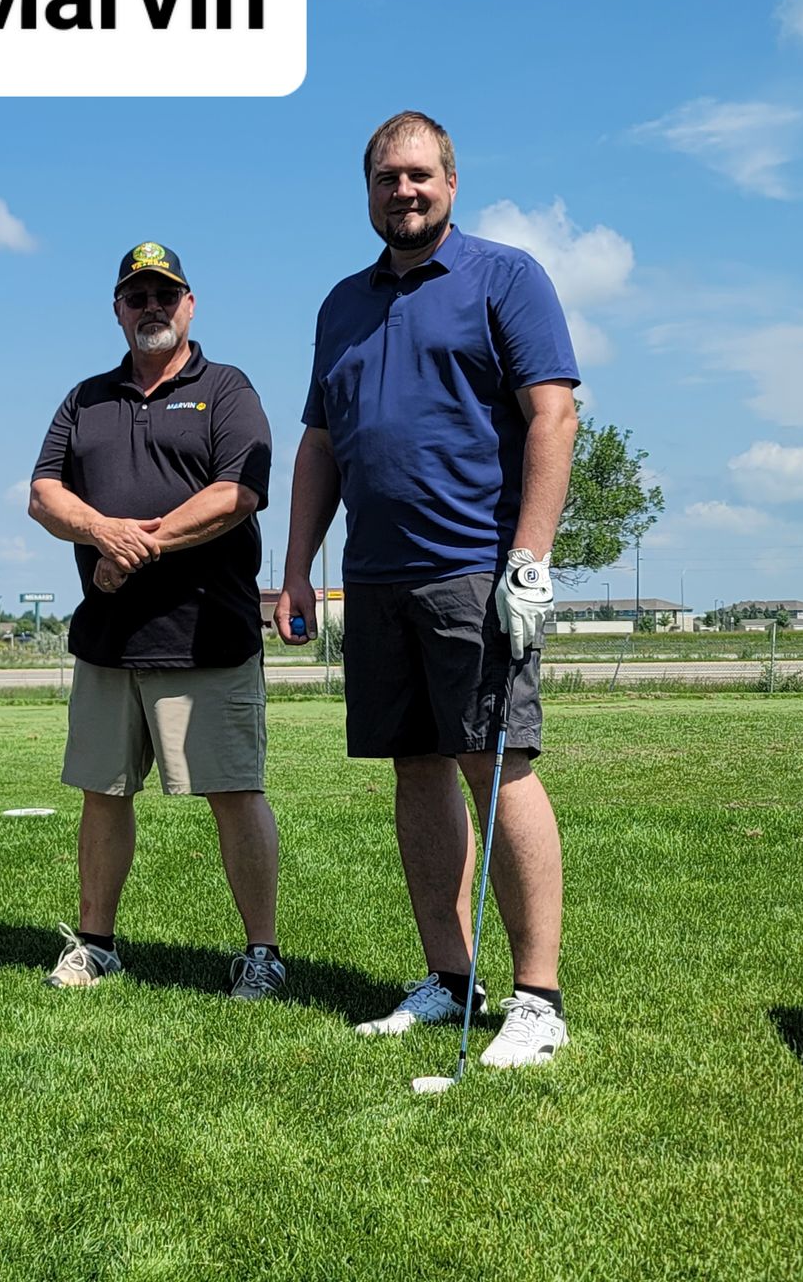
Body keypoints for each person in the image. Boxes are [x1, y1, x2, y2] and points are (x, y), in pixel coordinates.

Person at [276, 113, 579, 1066]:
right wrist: (296, 566)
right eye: (384, 179)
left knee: (496, 765)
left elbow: (553, 412)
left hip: (473, 574)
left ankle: (537, 998)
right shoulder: (341, 305)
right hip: (374, 579)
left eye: (418, 176)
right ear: (366, 192)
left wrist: (529, 557)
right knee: (415, 771)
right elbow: (322, 443)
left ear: (451, 181)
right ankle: (450, 977)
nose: (402, 192)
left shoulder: (507, 277)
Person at [29, 242, 284, 1000]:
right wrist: (100, 533)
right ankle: (98, 944)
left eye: (164, 295)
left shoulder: (227, 388)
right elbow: (45, 493)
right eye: (136, 296)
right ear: (117, 308)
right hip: (110, 641)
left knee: (235, 793)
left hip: (207, 637)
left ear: (190, 305)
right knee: (103, 795)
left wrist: (136, 546)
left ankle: (263, 954)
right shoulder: (86, 398)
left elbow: (239, 491)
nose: (151, 308)